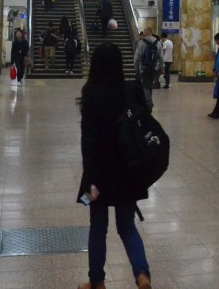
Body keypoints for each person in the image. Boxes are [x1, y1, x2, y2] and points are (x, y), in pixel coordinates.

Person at [76, 42, 153, 289]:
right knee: (127, 226)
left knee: (98, 228)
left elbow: (88, 138)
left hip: (99, 170)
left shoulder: (91, 92)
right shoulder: (131, 89)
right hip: (128, 169)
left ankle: (97, 281)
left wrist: (89, 176)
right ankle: (142, 275)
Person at [133, 29, 162, 110]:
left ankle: (148, 103)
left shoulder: (142, 43)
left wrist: (136, 66)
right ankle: (149, 101)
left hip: (144, 68)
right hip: (153, 67)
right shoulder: (158, 43)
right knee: (149, 85)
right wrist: (161, 67)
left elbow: (137, 57)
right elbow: (161, 57)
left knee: (145, 86)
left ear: (145, 33)